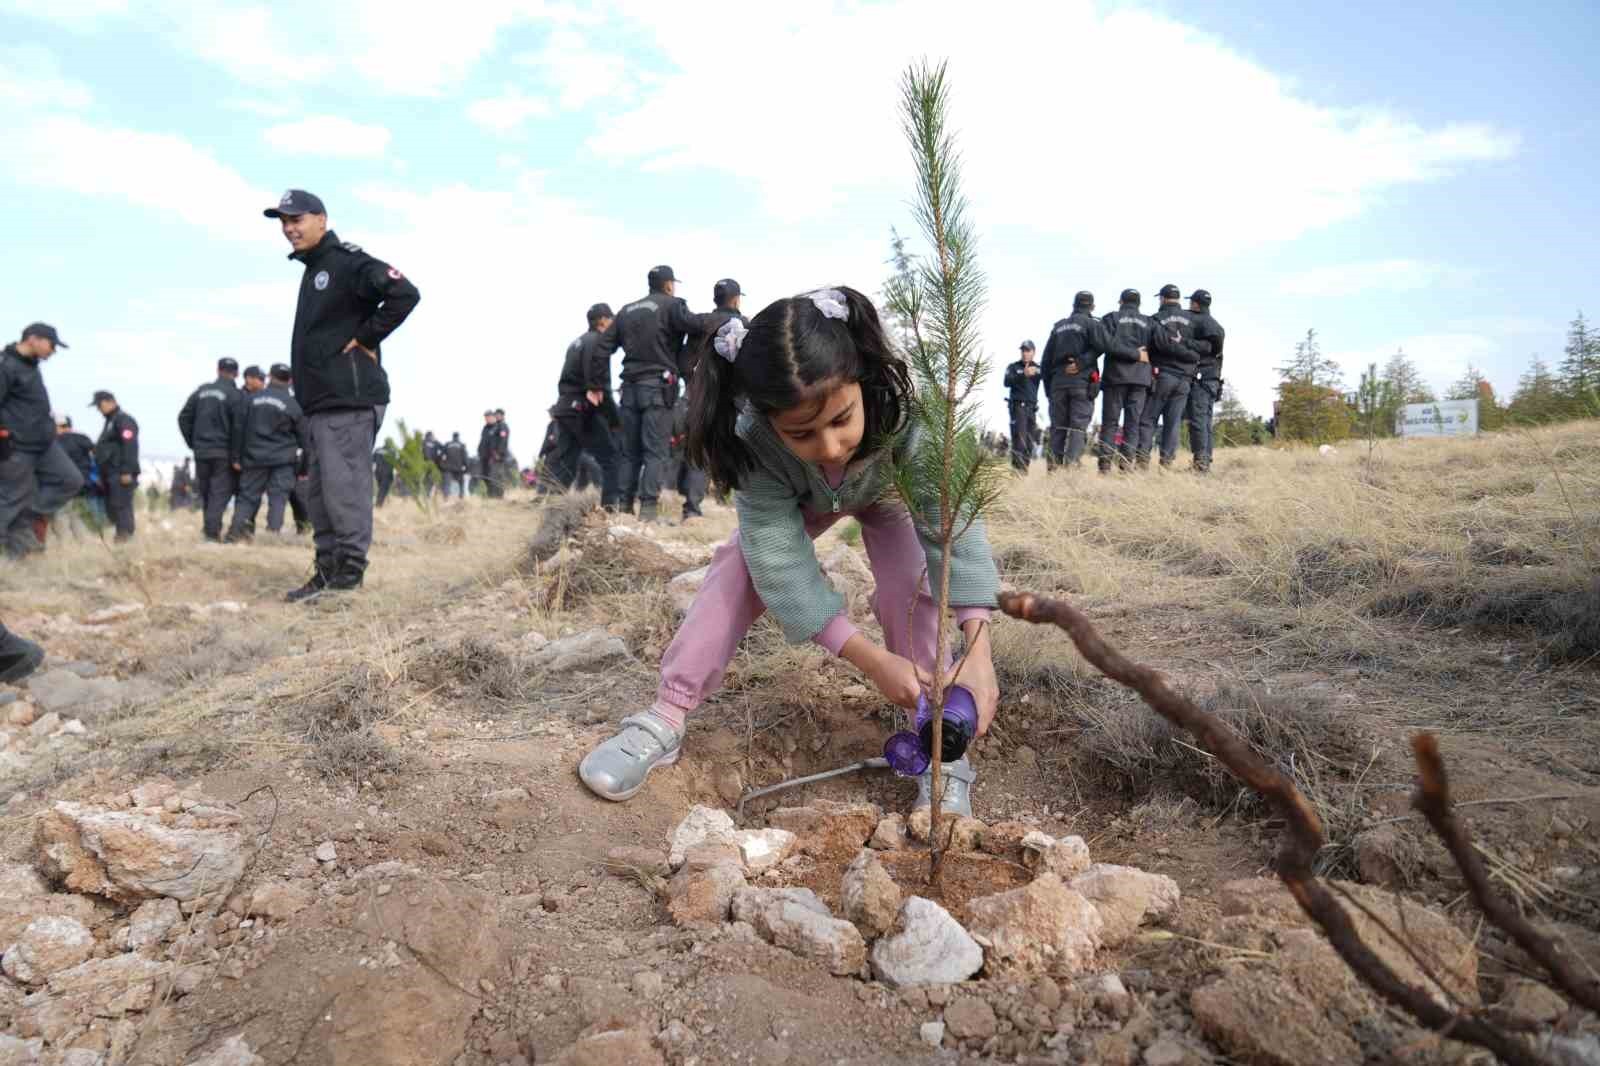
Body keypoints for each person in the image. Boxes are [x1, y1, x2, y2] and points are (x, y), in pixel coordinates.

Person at [579, 287, 1001, 815]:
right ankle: (665, 715)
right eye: (802, 434)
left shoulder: (909, 411)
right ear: (768, 420)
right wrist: (870, 660)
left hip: (886, 492)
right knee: (738, 567)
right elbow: (778, 561)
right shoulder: (752, 438)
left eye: (842, 420)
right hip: (804, 499)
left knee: (911, 583)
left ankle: (936, 730)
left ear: (862, 382)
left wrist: (978, 650)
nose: (829, 447)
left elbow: (952, 527)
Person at [265, 188, 420, 601]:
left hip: (348, 400)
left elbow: (405, 294)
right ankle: (328, 572)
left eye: (296, 219)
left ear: (322, 219)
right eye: (283, 221)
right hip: (320, 404)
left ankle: (348, 579)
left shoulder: (347, 263)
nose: (288, 228)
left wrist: (368, 336)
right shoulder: (315, 268)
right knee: (319, 495)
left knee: (344, 490)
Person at [594, 265, 701, 522]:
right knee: (656, 452)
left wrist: (597, 385)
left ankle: (625, 509)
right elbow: (697, 325)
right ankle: (649, 512)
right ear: (667, 285)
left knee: (629, 453)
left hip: (629, 391)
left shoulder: (626, 311)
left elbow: (601, 348)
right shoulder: (673, 305)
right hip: (658, 390)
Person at [0, 323, 84, 557]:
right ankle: (16, 559)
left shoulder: (30, 367)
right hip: (17, 448)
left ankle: (28, 515)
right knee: (8, 502)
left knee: (71, 480)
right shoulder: (6, 365)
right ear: (33, 339)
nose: (53, 351)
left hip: (44, 446)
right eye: (52, 345)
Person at [671, 279, 746, 519]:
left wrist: (692, 383)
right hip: (731, 400)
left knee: (700, 453)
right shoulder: (744, 325)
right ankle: (739, 507)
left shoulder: (700, 323)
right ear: (735, 299)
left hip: (697, 397)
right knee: (739, 450)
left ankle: (692, 509)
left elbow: (683, 360)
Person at [547, 303, 622, 507]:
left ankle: (552, 506)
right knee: (611, 458)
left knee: (566, 461)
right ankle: (609, 509)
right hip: (583, 410)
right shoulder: (599, 342)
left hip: (565, 408)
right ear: (603, 321)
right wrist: (615, 420)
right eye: (612, 320)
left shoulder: (576, 342)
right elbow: (598, 385)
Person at [1040, 292, 1127, 469]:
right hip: (1081, 383)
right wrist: (1083, 362)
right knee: (1077, 428)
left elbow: (1045, 362)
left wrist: (1049, 390)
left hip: (1058, 383)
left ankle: (1053, 470)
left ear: (1074, 305)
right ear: (1092, 307)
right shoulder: (1091, 324)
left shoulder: (1058, 327)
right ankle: (1071, 468)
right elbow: (1106, 345)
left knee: (1058, 428)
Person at [227, 364, 306, 540]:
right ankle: (272, 538)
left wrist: (236, 457)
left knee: (247, 498)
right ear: (290, 380)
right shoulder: (293, 405)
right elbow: (304, 438)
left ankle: (235, 535)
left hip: (254, 458)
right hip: (283, 461)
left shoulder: (251, 399)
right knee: (278, 499)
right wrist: (303, 467)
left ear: (270, 376)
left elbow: (238, 429)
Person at [1136, 284, 1209, 468]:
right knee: (1173, 422)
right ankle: (1166, 463)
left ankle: (1143, 459)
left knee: (1148, 419)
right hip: (1185, 379)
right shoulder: (1193, 320)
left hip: (1163, 376)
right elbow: (1203, 346)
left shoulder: (1156, 319)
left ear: (1162, 298)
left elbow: (1154, 346)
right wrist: (1192, 358)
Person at [178, 357, 243, 541]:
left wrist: (193, 442)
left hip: (202, 451)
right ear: (236, 374)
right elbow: (239, 427)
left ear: (218, 370)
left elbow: (183, 418)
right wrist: (236, 456)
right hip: (223, 452)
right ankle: (211, 533)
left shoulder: (202, 391)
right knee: (219, 494)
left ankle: (209, 529)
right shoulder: (235, 395)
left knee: (206, 492)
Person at [1097, 289, 1155, 474]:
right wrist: (1139, 354)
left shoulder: (1110, 319)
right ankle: (1126, 466)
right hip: (1140, 380)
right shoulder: (1150, 322)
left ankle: (1105, 467)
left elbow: (1105, 344)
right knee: (1133, 424)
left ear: (1120, 301)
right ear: (1139, 304)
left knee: (1110, 423)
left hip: (1116, 377)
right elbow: (1162, 346)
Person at [1185, 289, 1226, 473]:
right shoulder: (1217, 325)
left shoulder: (1195, 321)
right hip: (1213, 379)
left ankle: (1200, 464)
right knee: (1206, 422)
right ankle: (1206, 460)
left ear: (1195, 304)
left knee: (1198, 421)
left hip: (1201, 379)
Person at [91, 390, 139, 542]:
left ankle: (125, 538)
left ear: (110, 402)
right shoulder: (110, 422)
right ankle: (121, 536)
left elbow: (129, 445)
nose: (99, 409)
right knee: (113, 507)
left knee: (122, 506)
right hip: (110, 472)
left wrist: (126, 471)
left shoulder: (123, 420)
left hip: (120, 472)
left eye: (100, 405)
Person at [1003, 341, 1042, 472]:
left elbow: (1049, 378)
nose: (1025, 353)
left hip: (1032, 408)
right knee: (1019, 440)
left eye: (1028, 350)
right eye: (1023, 350)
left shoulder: (1038, 368)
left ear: (1033, 352)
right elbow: (1006, 382)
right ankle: (1017, 472)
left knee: (1029, 442)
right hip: (1017, 407)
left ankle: (1024, 472)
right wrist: (1022, 375)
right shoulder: (1013, 367)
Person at [55, 415, 95, 493]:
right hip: (84, 483)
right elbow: (97, 454)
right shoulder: (82, 438)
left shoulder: (52, 442)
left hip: (61, 486)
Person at [441, 432, 469, 498]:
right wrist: (467, 468)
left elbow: (441, 456)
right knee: (461, 484)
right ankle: (461, 498)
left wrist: (442, 466)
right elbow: (465, 457)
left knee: (447, 485)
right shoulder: (462, 445)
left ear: (452, 437)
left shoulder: (447, 444)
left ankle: (445, 499)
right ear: (458, 437)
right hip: (459, 469)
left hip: (448, 468)